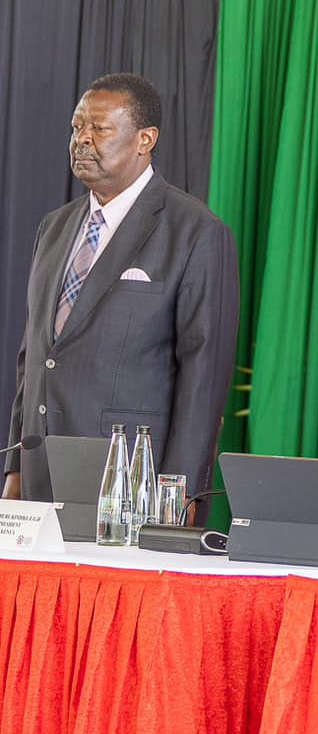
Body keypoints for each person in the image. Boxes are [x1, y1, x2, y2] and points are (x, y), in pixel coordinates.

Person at [6, 74, 238, 509]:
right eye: (77, 128)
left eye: (99, 128)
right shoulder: (54, 228)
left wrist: (179, 495)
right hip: (42, 480)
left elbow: (202, 380)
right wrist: (16, 470)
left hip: (129, 484)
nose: (82, 141)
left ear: (145, 139)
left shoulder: (196, 232)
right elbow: (35, 357)